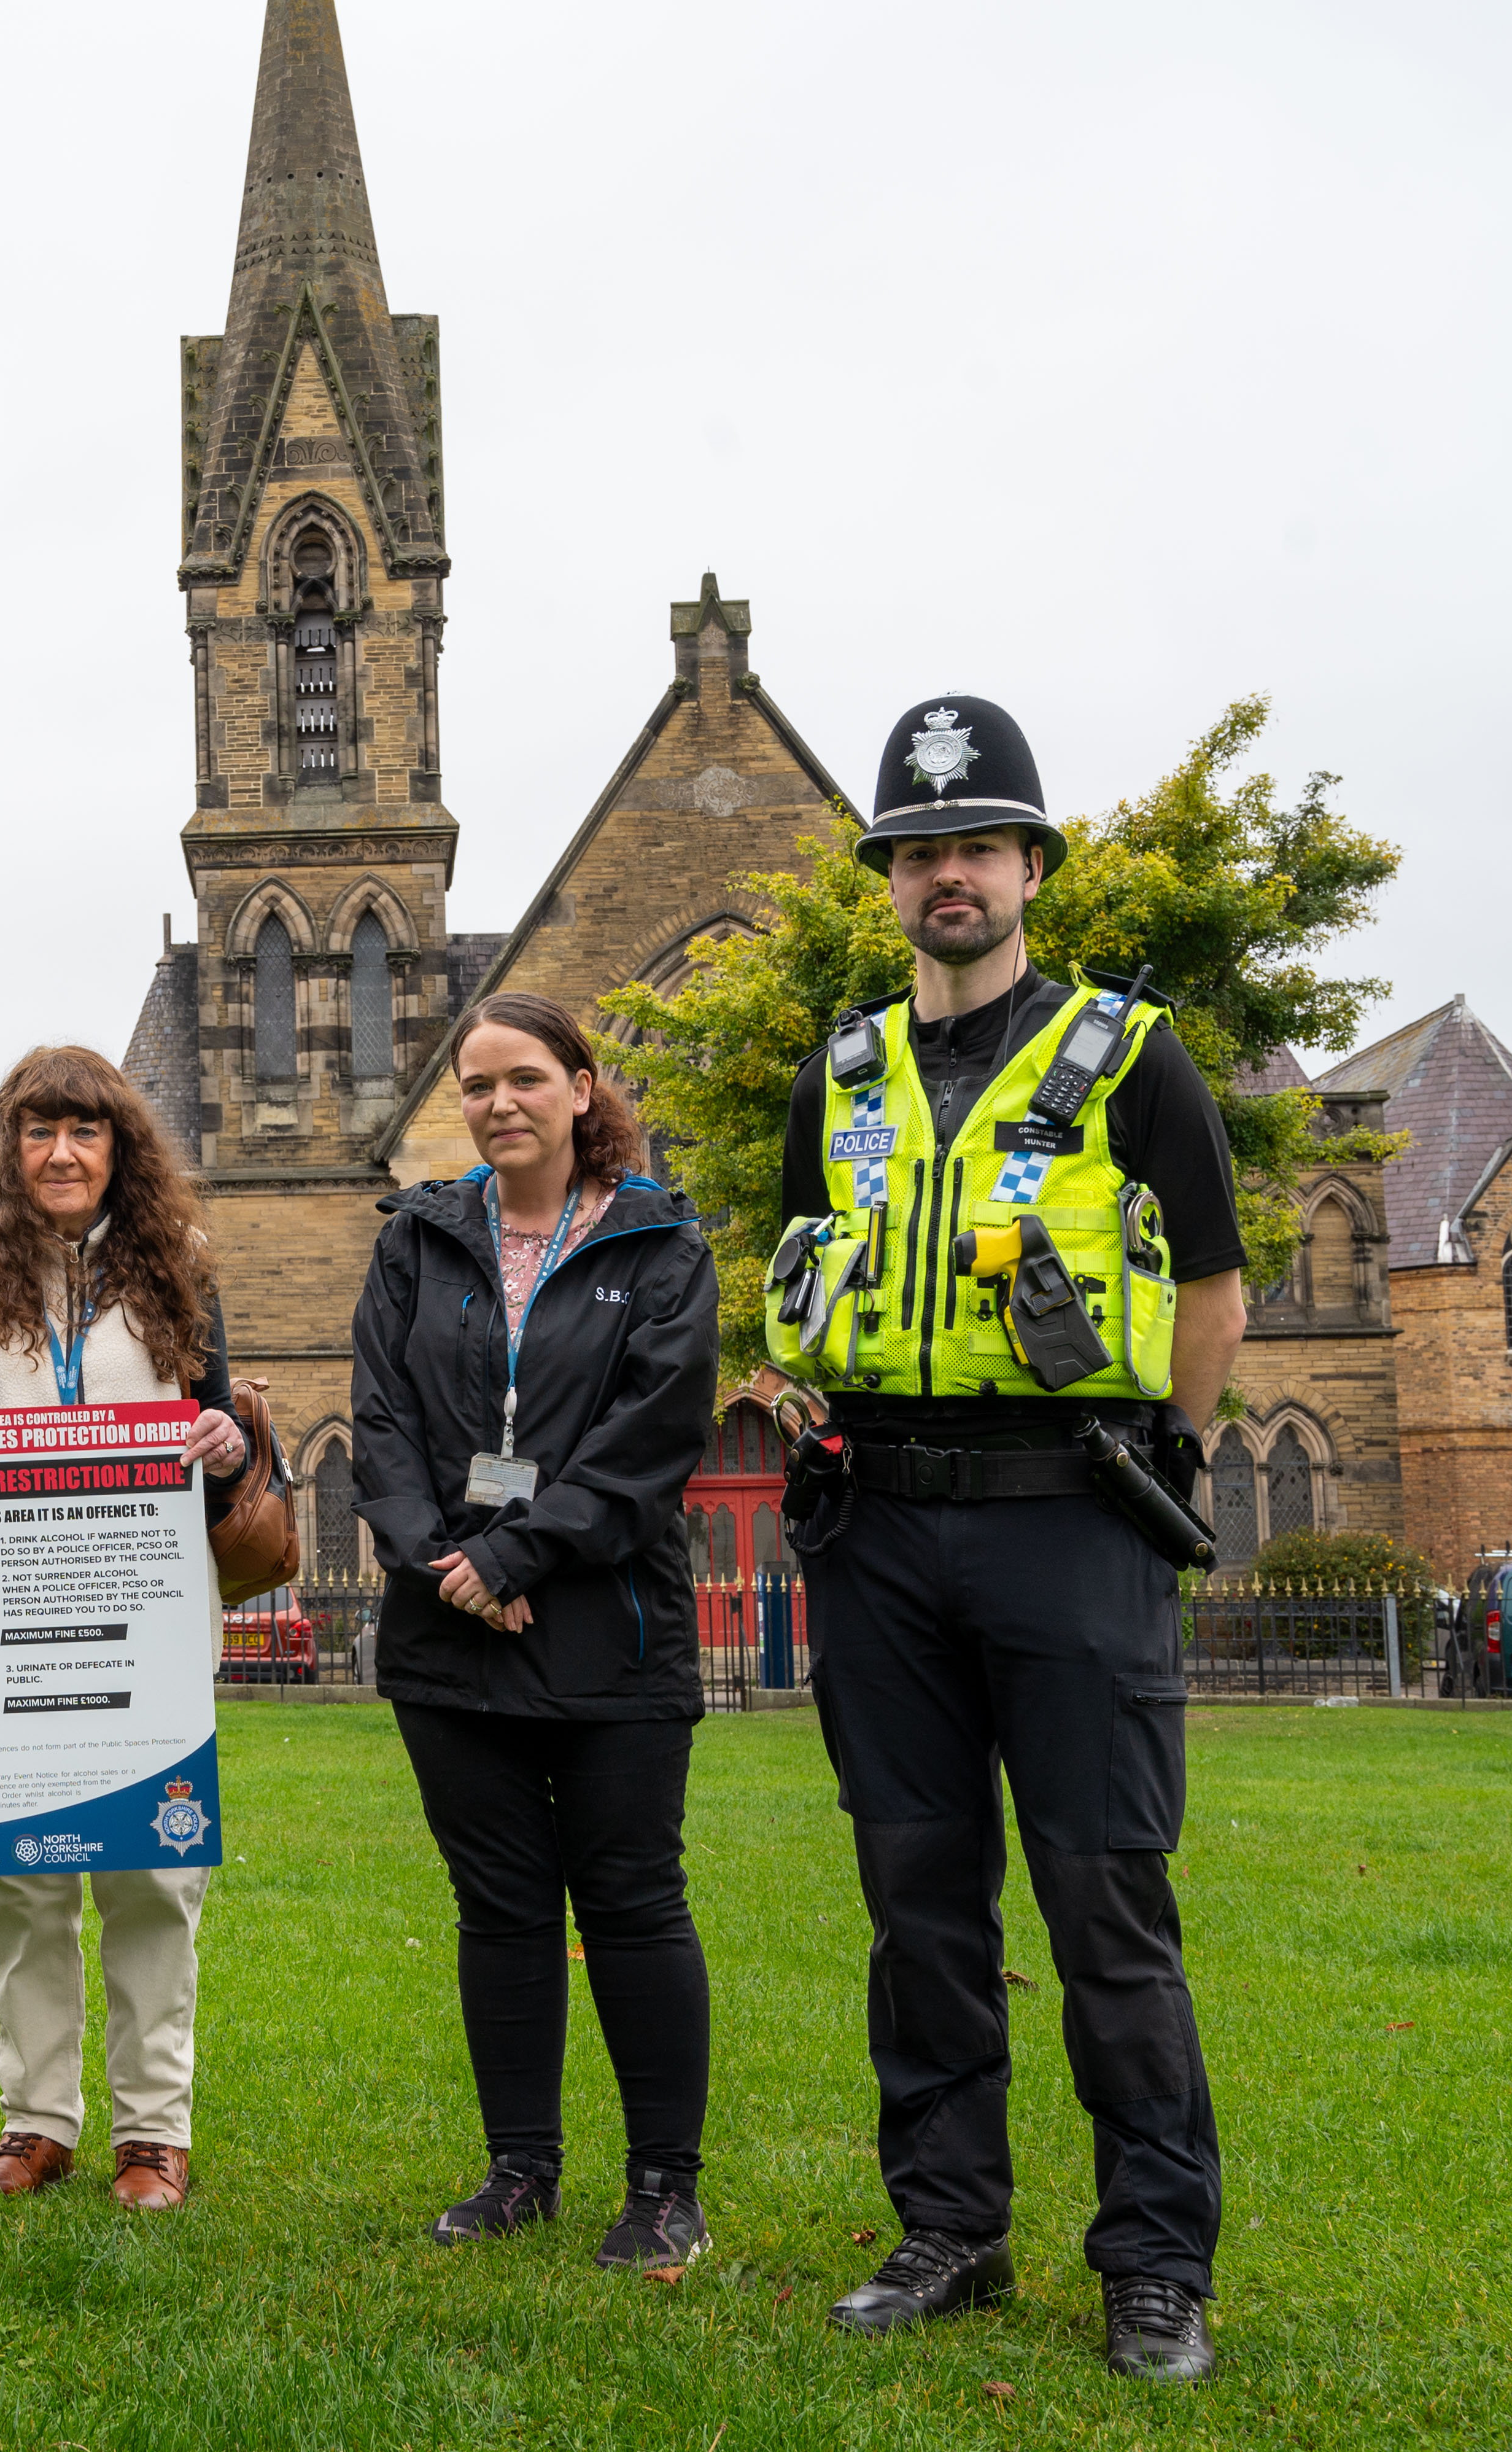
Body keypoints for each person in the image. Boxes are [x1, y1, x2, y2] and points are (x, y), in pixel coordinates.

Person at [765, 695, 1249, 2383]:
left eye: (973, 843)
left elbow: (1208, 1274)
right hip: (879, 1527)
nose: (942, 875)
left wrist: (1167, 1454)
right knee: (917, 1902)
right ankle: (950, 2229)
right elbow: (801, 1263)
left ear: (1030, 865)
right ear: (885, 880)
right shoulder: (841, 1070)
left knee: (1101, 1902)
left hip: (1067, 1520)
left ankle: (1152, 2264)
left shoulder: (1128, 1052)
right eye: (913, 852)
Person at [349, 991, 721, 2275]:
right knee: (498, 1904)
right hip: (448, 1632)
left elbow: (651, 1436)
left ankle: (663, 2187)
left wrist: (514, 1551)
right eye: (474, 1084)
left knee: (628, 1901)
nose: (497, 1102)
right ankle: (520, 2168)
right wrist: (443, 1562)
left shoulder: (659, 1242)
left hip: (605, 1626)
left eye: (522, 1078)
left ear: (579, 1086)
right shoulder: (417, 1237)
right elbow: (379, 1422)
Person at [0, 1047, 250, 2212]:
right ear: (8, 1148)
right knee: (14, 1886)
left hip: (143, 1623)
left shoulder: (176, 1272)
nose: (62, 1152)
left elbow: (220, 1437)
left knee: (150, 1879)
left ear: (118, 1147)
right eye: (39, 1131)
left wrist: (222, 1445)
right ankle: (36, 2122)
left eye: (85, 1130)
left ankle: (151, 2135)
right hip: (2, 1633)